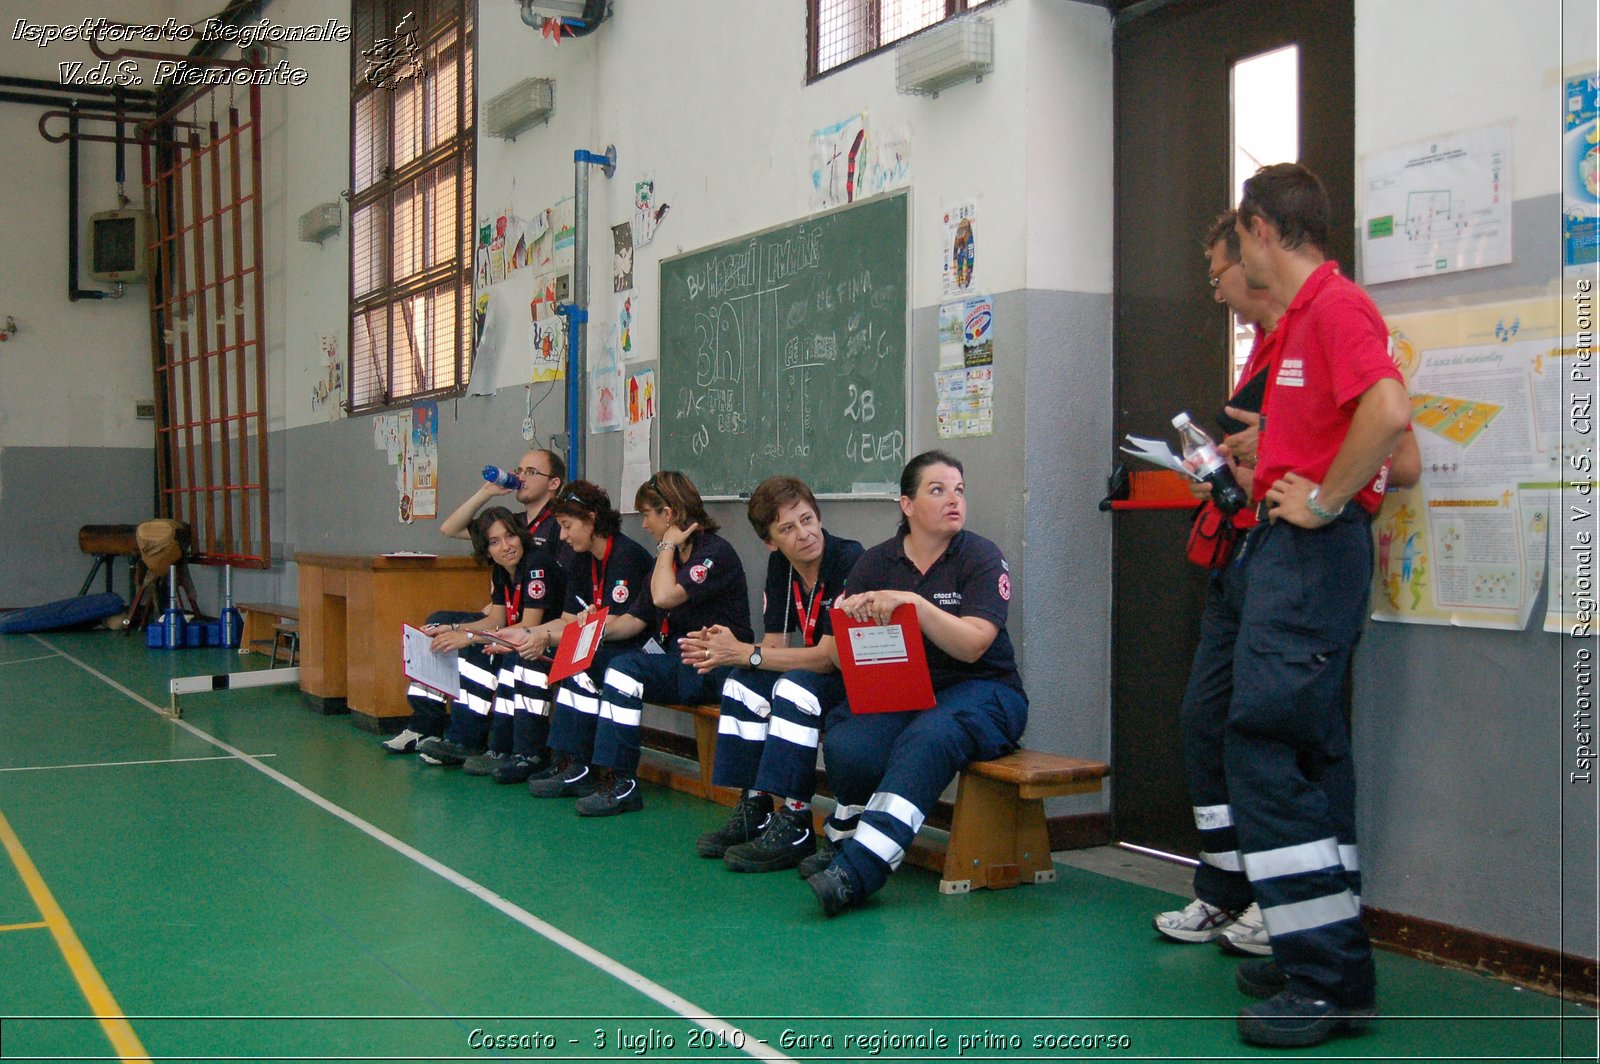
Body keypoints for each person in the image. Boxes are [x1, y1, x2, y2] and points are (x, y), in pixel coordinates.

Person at [1223, 163, 1411, 1048]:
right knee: (1311, 752)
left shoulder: (1335, 307)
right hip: (1291, 556)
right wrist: (1273, 452)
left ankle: (1329, 979)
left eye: (1238, 239)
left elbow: (1388, 413)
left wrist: (1327, 500)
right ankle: (1318, 942)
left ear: (1263, 229)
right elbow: (1346, 425)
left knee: (1263, 745)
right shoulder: (1299, 320)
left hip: (1311, 556)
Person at [806, 450, 1027, 916]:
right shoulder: (874, 562)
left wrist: (913, 604)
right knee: (851, 739)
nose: (954, 500)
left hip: (983, 690)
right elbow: (844, 653)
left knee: (928, 737)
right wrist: (855, 624)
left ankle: (858, 870)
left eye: (959, 490)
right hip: (905, 689)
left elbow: (972, 646)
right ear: (906, 505)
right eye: (938, 490)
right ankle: (845, 835)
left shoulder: (982, 557)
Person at [682, 476, 863, 871]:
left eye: (807, 519)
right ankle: (757, 805)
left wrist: (748, 653)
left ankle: (796, 820)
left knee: (793, 688)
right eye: (787, 528)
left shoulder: (849, 559)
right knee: (742, 683)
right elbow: (777, 645)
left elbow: (830, 658)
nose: (804, 534)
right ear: (770, 541)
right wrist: (727, 649)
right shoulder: (781, 565)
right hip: (816, 672)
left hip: (852, 681)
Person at [563, 472, 752, 816]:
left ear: (668, 514)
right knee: (592, 658)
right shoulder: (669, 559)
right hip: (677, 661)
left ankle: (623, 783)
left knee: (624, 669)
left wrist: (665, 546)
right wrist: (594, 629)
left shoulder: (713, 553)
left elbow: (664, 598)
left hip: (715, 666)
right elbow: (634, 620)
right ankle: (582, 765)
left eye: (648, 515)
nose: (645, 525)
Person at [382, 448, 569, 754]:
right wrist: (486, 492)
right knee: (439, 623)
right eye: (519, 470)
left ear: (553, 483)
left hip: (539, 626)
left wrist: (468, 635)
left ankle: (465, 739)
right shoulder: (513, 523)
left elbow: (532, 617)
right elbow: (449, 529)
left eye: (531, 472)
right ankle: (424, 726)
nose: (520, 477)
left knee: (478, 648)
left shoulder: (559, 527)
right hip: (508, 617)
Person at [495, 481, 657, 787]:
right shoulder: (580, 559)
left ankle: (580, 764)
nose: (564, 536)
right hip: (602, 644)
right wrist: (527, 634)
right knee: (531, 656)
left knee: (579, 660)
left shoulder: (627, 557)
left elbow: (624, 625)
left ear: (592, 518)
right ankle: (532, 753)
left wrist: (556, 637)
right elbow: (569, 620)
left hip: (637, 647)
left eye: (567, 526)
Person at [410, 508, 565, 768]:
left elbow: (528, 627)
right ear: (486, 548)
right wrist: (454, 628)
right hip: (518, 636)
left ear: (521, 536)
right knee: (466, 643)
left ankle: (504, 749)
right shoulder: (502, 570)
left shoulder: (536, 564)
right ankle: (461, 740)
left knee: (490, 654)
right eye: (494, 542)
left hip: (547, 642)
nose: (505, 546)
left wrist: (470, 637)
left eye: (510, 536)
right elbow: (496, 620)